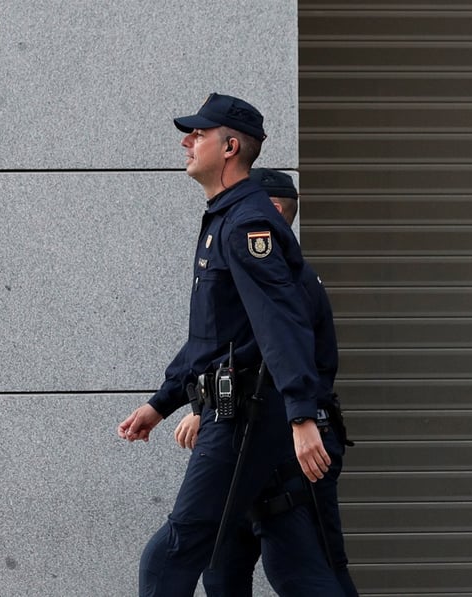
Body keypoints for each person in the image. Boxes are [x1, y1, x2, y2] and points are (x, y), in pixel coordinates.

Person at [116, 93, 344, 597]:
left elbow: (280, 324)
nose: (186, 140)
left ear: (230, 146)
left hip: (244, 414)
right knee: (291, 568)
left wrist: (302, 414)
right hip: (242, 408)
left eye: (198, 134)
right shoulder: (225, 217)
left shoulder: (246, 224)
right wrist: (162, 403)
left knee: (169, 557)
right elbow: (212, 337)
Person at [172, 168, 359, 596]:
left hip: (293, 440)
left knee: (315, 570)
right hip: (253, 435)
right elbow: (218, 349)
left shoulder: (286, 280)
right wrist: (194, 407)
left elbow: (273, 353)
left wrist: (299, 419)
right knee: (221, 570)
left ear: (271, 213)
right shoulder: (264, 277)